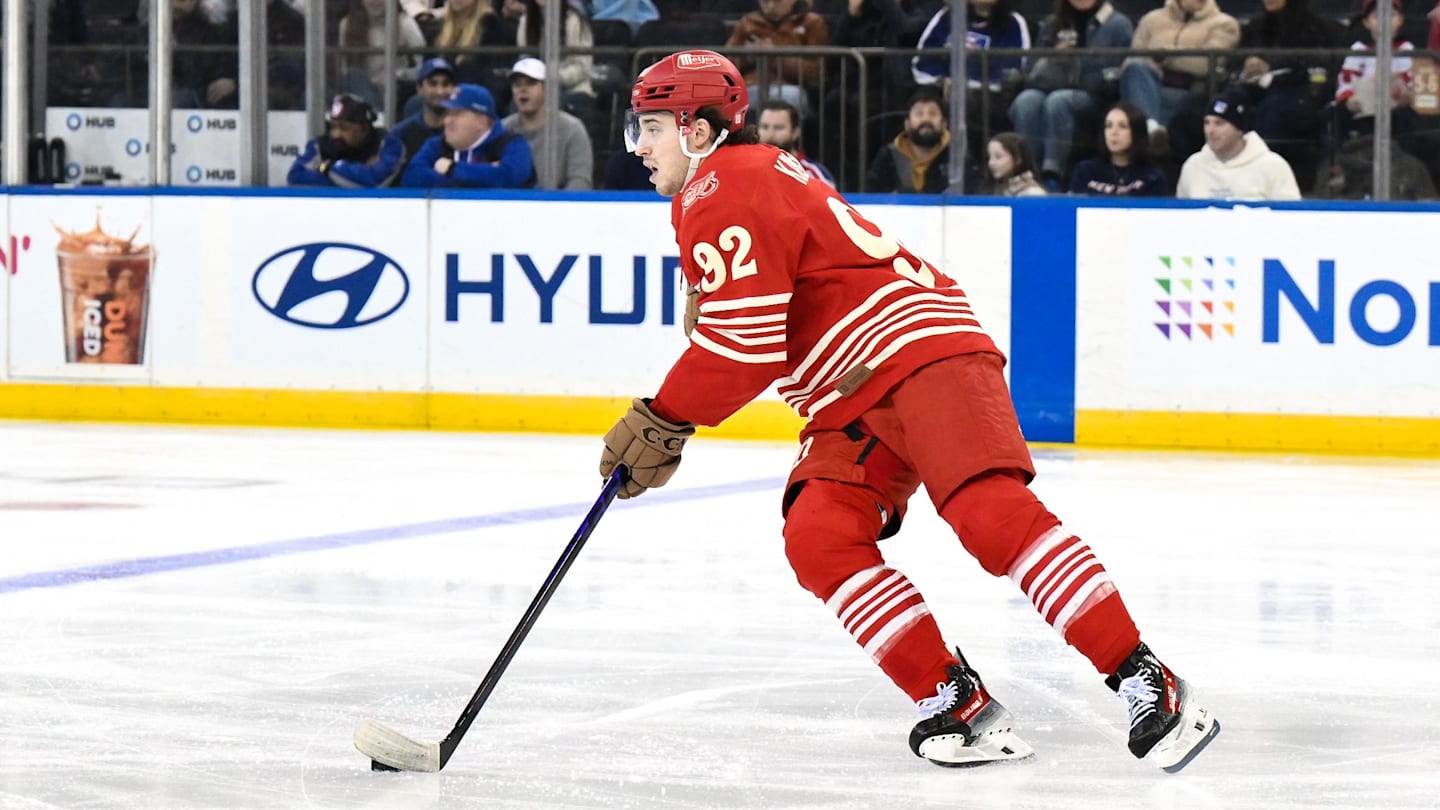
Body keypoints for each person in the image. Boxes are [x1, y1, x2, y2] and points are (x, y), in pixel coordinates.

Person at [602, 48, 1221, 773]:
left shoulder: (722, 188)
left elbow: (746, 342)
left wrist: (664, 414)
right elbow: (755, 332)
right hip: (850, 393)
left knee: (989, 515)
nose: (639, 147)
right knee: (820, 534)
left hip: (921, 353)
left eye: (650, 127)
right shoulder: (724, 186)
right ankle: (957, 701)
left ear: (698, 130)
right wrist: (674, 410)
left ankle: (1149, 680)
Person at [1009, 0, 1135, 187]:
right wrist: (1053, 58)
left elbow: (1117, 71)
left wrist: (1081, 69)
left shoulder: (1117, 24)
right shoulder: (1053, 23)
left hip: (1096, 95)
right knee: (1026, 101)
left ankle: (1052, 174)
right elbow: (1031, 71)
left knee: (1058, 101)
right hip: (1051, 87)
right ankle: (1025, 173)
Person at [1233, 0, 1343, 184]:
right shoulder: (1255, 27)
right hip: (1255, 89)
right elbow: (1233, 62)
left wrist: (1271, 65)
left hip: (1300, 92)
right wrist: (1247, 66)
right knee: (1224, 103)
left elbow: (1315, 66)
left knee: (1272, 109)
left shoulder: (1317, 28)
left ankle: (1260, 177)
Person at [911, 1, 1031, 160]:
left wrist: (968, 81)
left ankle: (970, 165)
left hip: (991, 94)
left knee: (968, 101)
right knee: (925, 103)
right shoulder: (946, 17)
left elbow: (1014, 67)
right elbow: (923, 60)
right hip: (944, 88)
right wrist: (942, 80)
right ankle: (923, 164)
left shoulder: (1014, 22)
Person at [1120, 0, 1240, 134]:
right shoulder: (1151, 20)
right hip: (1148, 82)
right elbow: (1132, 58)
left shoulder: (1224, 24)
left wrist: (1164, 56)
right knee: (1135, 68)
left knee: (1137, 100)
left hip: (1188, 91)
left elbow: (1205, 64)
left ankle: (1145, 133)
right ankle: (1152, 131)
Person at [401, 83, 536, 187]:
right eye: (447, 113)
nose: (447, 120)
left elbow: (508, 178)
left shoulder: (512, 145)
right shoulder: (436, 145)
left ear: (482, 121)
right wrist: (483, 174)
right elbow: (411, 177)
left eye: (457, 114)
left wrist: (451, 169)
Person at [1176, 86, 1301, 199]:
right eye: (1207, 123)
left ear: (1239, 129)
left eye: (1219, 123)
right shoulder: (1193, 166)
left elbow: (1291, 217)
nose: (1210, 131)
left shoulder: (1273, 166)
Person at [501, 57, 595, 189]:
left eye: (531, 83)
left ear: (547, 88)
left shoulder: (572, 129)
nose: (522, 89)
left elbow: (580, 182)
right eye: (517, 84)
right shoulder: (503, 129)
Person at [725, 0, 831, 116]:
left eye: (777, 2)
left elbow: (817, 69)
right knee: (736, 98)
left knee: (790, 96)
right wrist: (747, 57)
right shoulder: (748, 23)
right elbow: (726, 65)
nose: (770, 7)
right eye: (765, 2)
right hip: (753, 84)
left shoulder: (811, 23)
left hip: (791, 85)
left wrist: (773, 56)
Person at [288, 94, 406, 187]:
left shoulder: (388, 144)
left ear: (364, 129)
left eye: (344, 128)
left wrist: (325, 168)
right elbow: (295, 177)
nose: (336, 134)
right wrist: (347, 175)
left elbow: (374, 182)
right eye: (333, 127)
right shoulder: (320, 145)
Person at [866, 86, 960, 193]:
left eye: (932, 113)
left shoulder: (956, 156)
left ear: (944, 124)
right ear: (907, 124)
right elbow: (872, 199)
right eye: (919, 114)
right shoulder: (889, 156)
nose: (926, 119)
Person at [336, 0, 427, 106]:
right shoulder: (347, 24)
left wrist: (397, 74)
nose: (375, 2)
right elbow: (343, 70)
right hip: (359, 90)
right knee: (353, 76)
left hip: (395, 90)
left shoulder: (404, 23)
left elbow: (423, 68)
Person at [1068, 101, 1170, 195]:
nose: (1113, 132)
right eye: (1108, 126)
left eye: (1122, 126)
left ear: (1136, 132)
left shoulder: (1153, 178)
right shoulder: (1085, 171)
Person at [392, 58, 457, 174]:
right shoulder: (401, 134)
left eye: (446, 84)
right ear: (419, 88)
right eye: (433, 84)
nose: (440, 91)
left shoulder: (464, 132)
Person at [757, 99, 835, 186]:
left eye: (778, 128)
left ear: (795, 132)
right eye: (764, 127)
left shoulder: (812, 174)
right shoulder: (750, 169)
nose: (770, 134)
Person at [979, 132, 1047, 195]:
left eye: (998, 157)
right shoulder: (993, 189)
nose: (991, 163)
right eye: (989, 157)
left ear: (1018, 159)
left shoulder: (1033, 193)